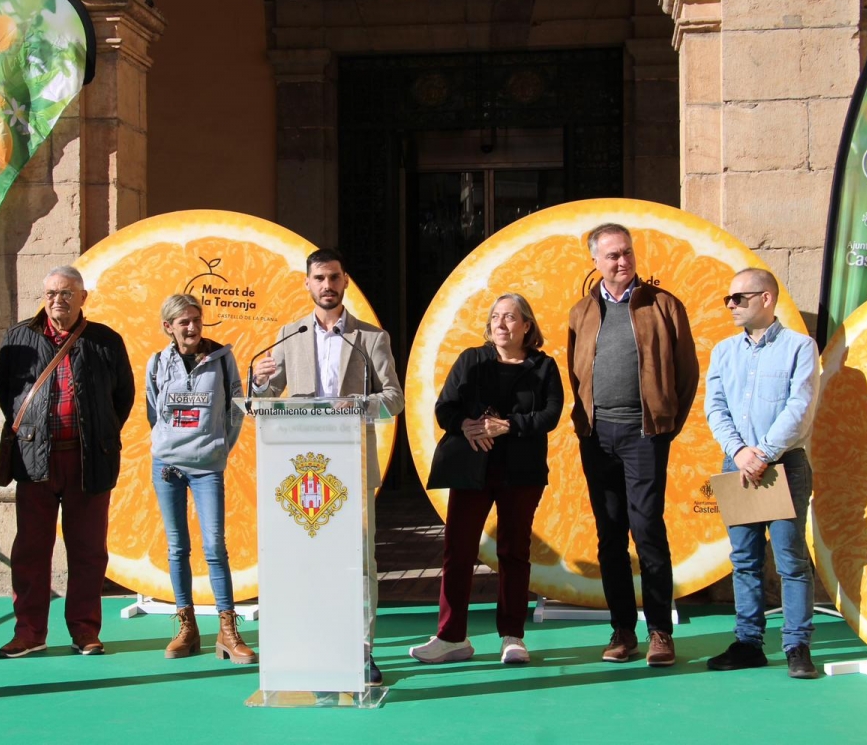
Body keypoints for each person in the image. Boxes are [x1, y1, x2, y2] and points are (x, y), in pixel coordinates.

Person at [251, 247, 404, 686]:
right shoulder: (289, 335)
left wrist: (354, 405)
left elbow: (394, 398)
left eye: (334, 278)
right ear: (307, 283)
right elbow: (264, 399)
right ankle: (313, 646)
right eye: (319, 278)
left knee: (358, 562)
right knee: (307, 562)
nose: (327, 286)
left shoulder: (371, 338)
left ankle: (362, 650)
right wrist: (260, 382)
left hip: (351, 468)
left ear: (346, 281)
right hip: (299, 471)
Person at [567, 222, 698, 667]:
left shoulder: (663, 305)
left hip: (645, 435)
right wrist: (590, 417)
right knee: (609, 537)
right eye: (612, 256)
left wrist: (665, 423)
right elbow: (576, 372)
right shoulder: (581, 312)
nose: (622, 262)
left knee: (647, 531)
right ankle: (622, 629)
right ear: (595, 262)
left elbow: (686, 373)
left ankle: (660, 630)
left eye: (627, 253)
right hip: (597, 436)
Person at [410, 294, 563, 666]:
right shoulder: (470, 360)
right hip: (470, 469)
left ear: (527, 325)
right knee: (457, 552)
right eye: (496, 316)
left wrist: (508, 426)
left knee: (514, 552)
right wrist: (467, 425)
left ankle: (512, 637)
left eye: (510, 317)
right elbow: (445, 407)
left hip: (520, 471)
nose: (501, 323)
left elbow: (550, 415)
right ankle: (451, 637)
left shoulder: (544, 367)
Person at [0, 266, 134, 658]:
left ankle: (85, 631)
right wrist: (34, 431)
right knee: (31, 550)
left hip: (89, 461)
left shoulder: (105, 341)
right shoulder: (18, 337)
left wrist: (98, 434)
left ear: (83, 298)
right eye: (53, 292)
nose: (59, 300)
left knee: (88, 550)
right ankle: (30, 633)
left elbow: (122, 397)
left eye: (68, 293)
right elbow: (6, 392)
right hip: (36, 460)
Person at [704, 268, 820, 679]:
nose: (731, 305)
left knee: (790, 559)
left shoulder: (800, 347)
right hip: (737, 465)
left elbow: (800, 405)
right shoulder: (723, 351)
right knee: (745, 559)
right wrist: (739, 452)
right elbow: (714, 407)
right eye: (729, 299)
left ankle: (797, 645)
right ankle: (748, 642)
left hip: (783, 464)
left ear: (767, 298)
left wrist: (765, 453)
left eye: (739, 298)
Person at [147, 294, 255, 663]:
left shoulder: (222, 361)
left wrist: (220, 448)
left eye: (196, 319)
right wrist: (167, 443)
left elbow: (235, 406)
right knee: (177, 547)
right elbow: (153, 410)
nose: (192, 327)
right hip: (167, 466)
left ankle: (228, 631)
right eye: (183, 322)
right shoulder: (158, 363)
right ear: (169, 327)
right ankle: (187, 628)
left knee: (214, 546)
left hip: (207, 464)